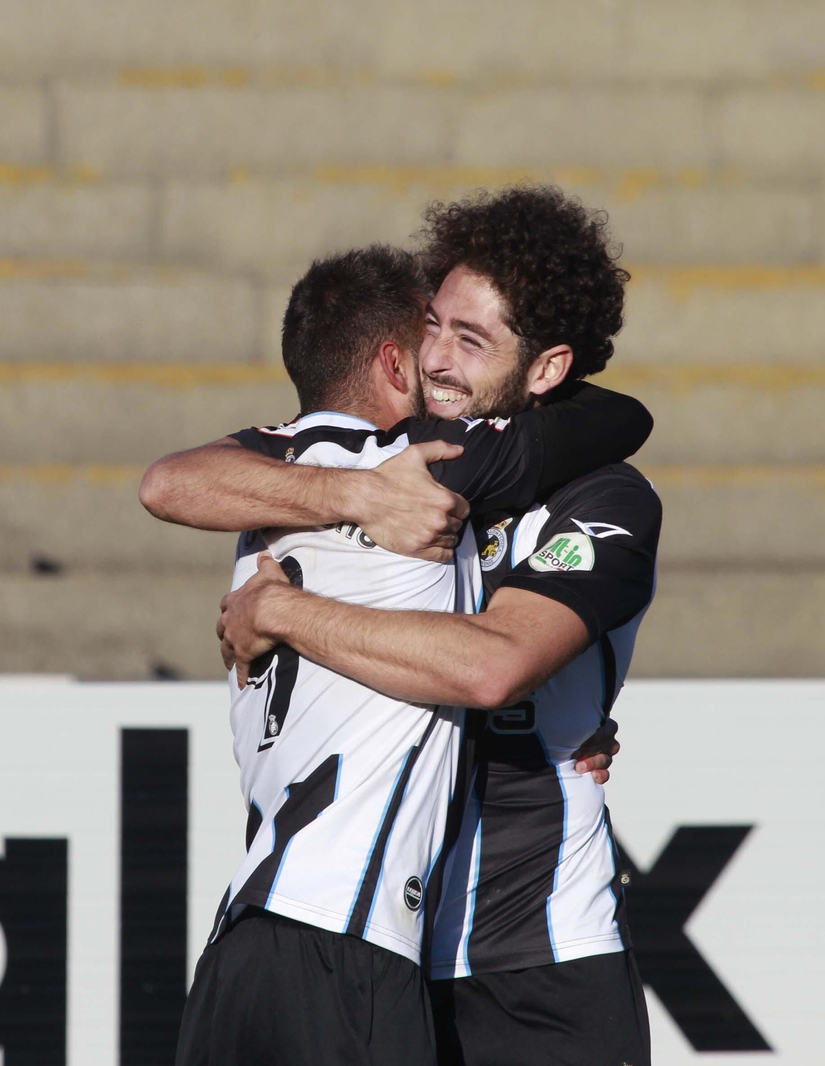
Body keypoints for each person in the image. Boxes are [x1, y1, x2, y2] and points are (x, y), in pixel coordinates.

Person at [160, 187, 660, 1066]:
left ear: (545, 371)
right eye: (432, 326)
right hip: (391, 945)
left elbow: (494, 667)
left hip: (539, 964)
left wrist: (282, 610)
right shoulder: (396, 456)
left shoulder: (601, 497)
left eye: (471, 341)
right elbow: (176, 481)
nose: (436, 359)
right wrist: (350, 496)